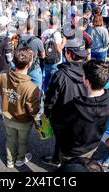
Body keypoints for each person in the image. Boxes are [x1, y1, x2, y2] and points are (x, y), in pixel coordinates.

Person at [42, 38, 89, 167]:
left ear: (69, 53)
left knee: (61, 140)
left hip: (61, 116)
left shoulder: (60, 75)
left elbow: (50, 98)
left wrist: (47, 112)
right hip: (83, 113)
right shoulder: (89, 71)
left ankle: (58, 160)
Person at [58, 59, 109, 163]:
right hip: (93, 144)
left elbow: (62, 124)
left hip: (73, 150)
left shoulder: (76, 105)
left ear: (87, 81)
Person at [0, 47, 41, 168]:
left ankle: (10, 160)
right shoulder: (32, 88)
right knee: (22, 142)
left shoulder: (3, 76)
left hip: (7, 116)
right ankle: (20, 159)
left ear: (14, 61)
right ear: (29, 64)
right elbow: (34, 110)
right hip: (23, 121)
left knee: (10, 139)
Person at [17, 19, 45, 88]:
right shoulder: (38, 41)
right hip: (34, 68)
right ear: (34, 27)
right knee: (37, 91)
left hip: (23, 67)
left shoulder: (20, 38)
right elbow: (43, 56)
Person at [41, 17, 64, 92]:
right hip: (55, 60)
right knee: (54, 80)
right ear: (56, 24)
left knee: (46, 79)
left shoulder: (44, 33)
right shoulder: (57, 34)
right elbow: (59, 49)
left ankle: (44, 94)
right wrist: (64, 42)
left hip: (47, 59)